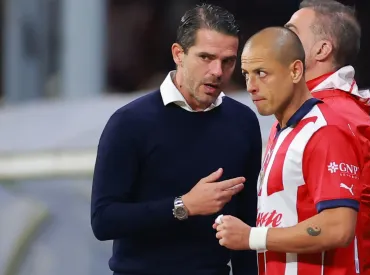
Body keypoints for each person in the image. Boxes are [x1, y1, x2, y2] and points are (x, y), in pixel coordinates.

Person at [90, 4, 261, 275]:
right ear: (178, 54)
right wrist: (183, 206)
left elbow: (246, 220)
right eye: (206, 57)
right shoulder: (130, 122)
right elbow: (103, 220)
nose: (218, 71)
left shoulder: (243, 122)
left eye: (228, 60)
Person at [214, 26, 370, 275]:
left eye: (262, 73)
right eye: (246, 74)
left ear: (296, 71)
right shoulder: (280, 130)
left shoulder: (325, 131)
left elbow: (338, 227)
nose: (251, 86)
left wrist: (251, 237)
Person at [285, 0, 370, 272]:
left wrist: (252, 237)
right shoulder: (300, 113)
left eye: (292, 32)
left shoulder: (333, 118)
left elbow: (339, 229)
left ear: (322, 49)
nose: (280, 40)